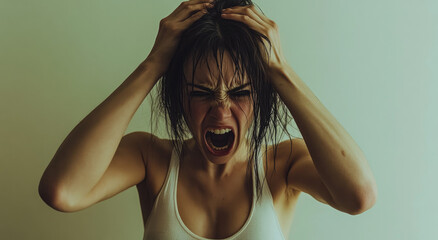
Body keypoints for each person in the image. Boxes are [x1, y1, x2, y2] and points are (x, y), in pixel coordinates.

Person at [38, 0, 378, 239]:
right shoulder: (150, 158)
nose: (220, 110)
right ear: (179, 97)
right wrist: (153, 64)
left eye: (241, 91)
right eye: (201, 92)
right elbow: (62, 191)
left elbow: (359, 195)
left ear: (261, 92)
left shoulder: (283, 164)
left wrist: (280, 70)